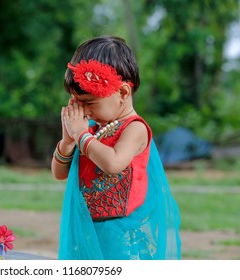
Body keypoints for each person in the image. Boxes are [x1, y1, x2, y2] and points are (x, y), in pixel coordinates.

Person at [51, 35, 181, 260]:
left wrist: (80, 136)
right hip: (87, 229)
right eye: (77, 102)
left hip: (122, 236)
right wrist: (68, 141)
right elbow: (59, 173)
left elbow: (113, 163)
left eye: (89, 102)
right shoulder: (91, 131)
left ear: (122, 93)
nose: (84, 111)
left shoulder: (135, 129)